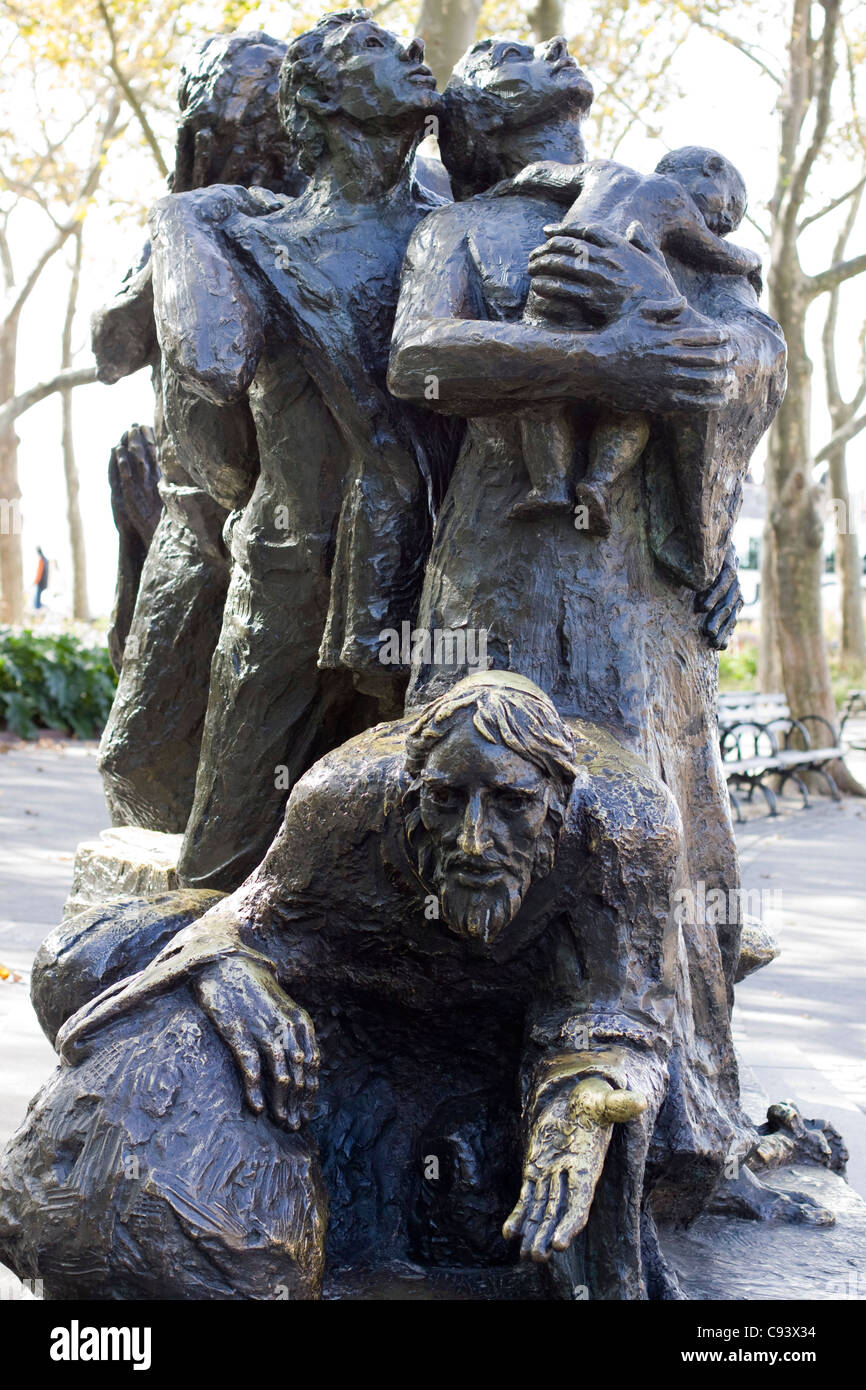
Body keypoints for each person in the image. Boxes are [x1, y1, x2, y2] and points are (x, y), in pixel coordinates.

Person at [388, 35, 787, 1222]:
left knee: (654, 830)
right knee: (473, 819)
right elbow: (420, 355)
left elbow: (743, 365)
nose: (543, 40)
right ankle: (468, 1112)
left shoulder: (666, 213)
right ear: (484, 125)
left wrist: (706, 550)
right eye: (507, 54)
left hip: (637, 603)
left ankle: (669, 1111)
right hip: (496, 584)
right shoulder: (458, 230)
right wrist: (605, 353)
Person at [0, 673, 683, 1299]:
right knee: (81, 963)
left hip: (496, 1043)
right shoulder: (343, 800)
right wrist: (233, 967)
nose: (475, 840)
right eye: (446, 801)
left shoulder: (627, 828)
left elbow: (622, 1012)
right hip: (357, 1017)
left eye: (511, 803)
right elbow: (242, 923)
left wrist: (589, 1092)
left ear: (558, 801)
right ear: (411, 794)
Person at [148, 10, 452, 891]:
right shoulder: (254, 236)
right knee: (227, 855)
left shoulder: (463, 221)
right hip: (290, 572)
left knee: (423, 856)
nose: (408, 51)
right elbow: (208, 366)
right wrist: (179, 223)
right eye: (368, 48)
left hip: (436, 572)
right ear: (315, 99)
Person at [93, 31, 304, 834]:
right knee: (140, 756)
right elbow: (113, 348)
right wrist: (183, 213)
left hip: (297, 522)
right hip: (193, 517)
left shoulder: (346, 205)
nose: (244, 150)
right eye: (219, 132)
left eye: (260, 129)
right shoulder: (183, 217)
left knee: (289, 755)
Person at [514, 147, 762, 530]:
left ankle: (548, 485)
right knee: (633, 400)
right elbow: (714, 252)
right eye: (730, 205)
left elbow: (547, 173)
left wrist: (518, 179)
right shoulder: (675, 199)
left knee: (540, 388)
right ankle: (598, 482)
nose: (726, 221)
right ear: (711, 169)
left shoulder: (604, 172)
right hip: (612, 287)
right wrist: (751, 260)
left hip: (559, 274)